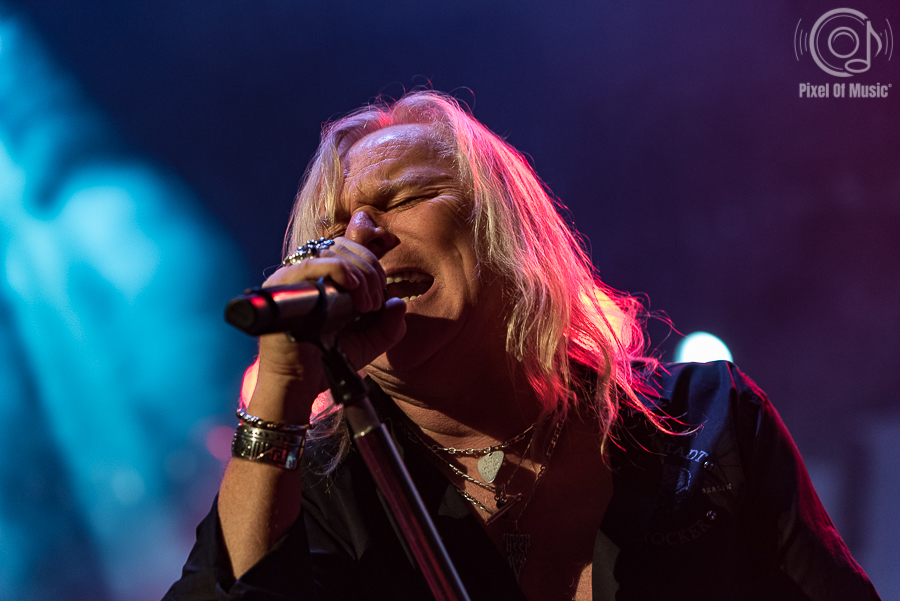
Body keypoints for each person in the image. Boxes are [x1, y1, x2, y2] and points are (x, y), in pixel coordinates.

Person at [164, 91, 880, 600]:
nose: (362, 235)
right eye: (333, 228)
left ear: (504, 230)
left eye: (403, 197)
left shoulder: (706, 418)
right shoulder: (326, 487)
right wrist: (281, 392)